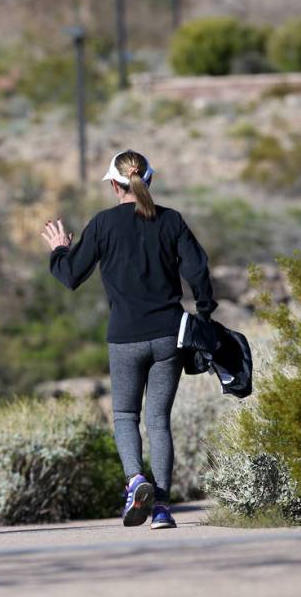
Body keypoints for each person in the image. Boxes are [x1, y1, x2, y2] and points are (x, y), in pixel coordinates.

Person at [41, 150, 217, 530]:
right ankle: (163, 510)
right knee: (158, 420)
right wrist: (205, 314)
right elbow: (198, 271)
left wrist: (59, 249)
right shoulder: (171, 220)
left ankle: (136, 480)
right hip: (169, 336)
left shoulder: (104, 224)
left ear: (115, 186)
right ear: (148, 180)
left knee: (124, 415)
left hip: (124, 338)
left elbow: (70, 276)